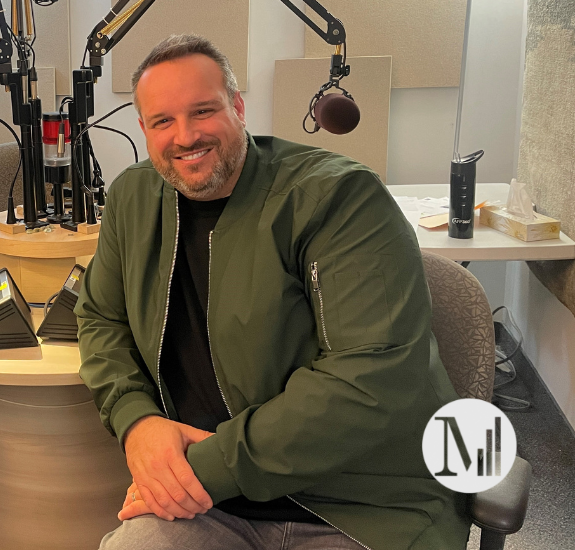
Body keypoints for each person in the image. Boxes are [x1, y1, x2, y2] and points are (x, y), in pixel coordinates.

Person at [75, 35, 470, 550]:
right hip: (211, 506)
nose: (185, 136)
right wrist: (137, 421)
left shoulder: (339, 198)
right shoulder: (132, 197)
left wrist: (200, 469)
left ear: (238, 107)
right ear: (144, 130)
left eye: (203, 110)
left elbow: (368, 377)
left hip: (359, 501)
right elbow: (101, 318)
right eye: (162, 121)